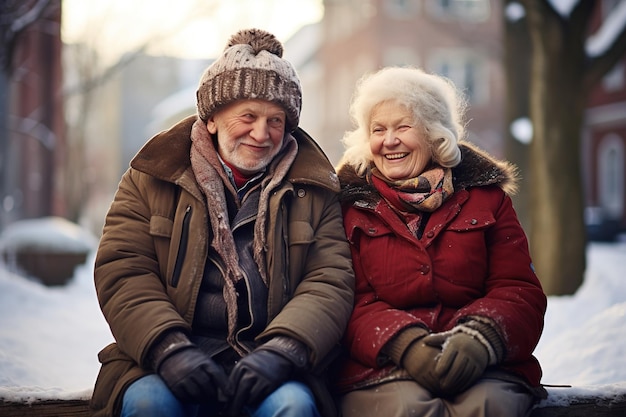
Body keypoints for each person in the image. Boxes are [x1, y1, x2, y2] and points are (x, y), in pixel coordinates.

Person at [89, 28, 354, 417]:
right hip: (165, 361)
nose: (261, 134)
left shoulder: (315, 188)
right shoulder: (151, 176)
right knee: (149, 404)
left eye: (276, 120)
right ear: (212, 118)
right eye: (247, 116)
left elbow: (330, 281)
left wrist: (282, 352)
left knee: (292, 407)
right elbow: (123, 269)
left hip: (270, 365)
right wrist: (168, 349)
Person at [333, 66, 547, 417]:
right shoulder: (349, 205)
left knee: (490, 406)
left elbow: (518, 288)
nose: (389, 140)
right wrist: (405, 344)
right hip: (383, 368)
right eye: (378, 129)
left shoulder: (487, 199)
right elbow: (349, 299)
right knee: (407, 410)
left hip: (483, 365)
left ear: (435, 135)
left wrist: (480, 339)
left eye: (403, 126)